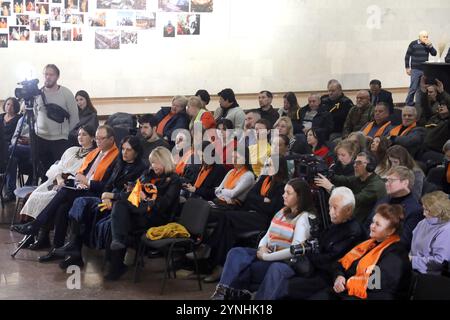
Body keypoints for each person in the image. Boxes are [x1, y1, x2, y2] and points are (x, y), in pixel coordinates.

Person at [12, 125, 119, 261]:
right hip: (83, 188)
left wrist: (87, 182)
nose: (98, 141)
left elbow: (108, 186)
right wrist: (78, 182)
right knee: (62, 207)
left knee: (63, 192)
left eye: (101, 139)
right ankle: (56, 249)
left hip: (97, 194)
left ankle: (35, 225)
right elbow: (82, 172)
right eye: (97, 138)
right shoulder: (96, 152)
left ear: (111, 139)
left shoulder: (116, 158)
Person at [210, 178, 315, 300]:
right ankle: (222, 293)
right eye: (284, 192)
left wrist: (266, 257)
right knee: (236, 252)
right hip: (268, 251)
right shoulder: (282, 211)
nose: (283, 195)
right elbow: (267, 235)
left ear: (299, 197)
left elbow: (294, 251)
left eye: (288, 193)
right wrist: (261, 247)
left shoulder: (304, 218)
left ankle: (240, 295)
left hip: (285, 261)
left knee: (249, 269)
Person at [53, 135, 146, 269]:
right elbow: (108, 184)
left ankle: (107, 262)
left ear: (136, 152)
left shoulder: (141, 168)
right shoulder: (120, 162)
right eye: (123, 149)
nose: (124, 153)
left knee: (82, 205)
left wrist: (111, 196)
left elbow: (133, 195)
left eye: (129, 150)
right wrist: (105, 196)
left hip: (123, 205)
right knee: (80, 202)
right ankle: (74, 249)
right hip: (106, 199)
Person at [202, 156, 288, 283]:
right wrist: (263, 200)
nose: (267, 168)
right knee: (228, 228)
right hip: (253, 213)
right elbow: (250, 197)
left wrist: (259, 201)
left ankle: (209, 251)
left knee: (227, 217)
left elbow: (272, 208)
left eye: (270, 165)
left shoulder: (283, 185)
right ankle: (219, 264)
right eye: (267, 165)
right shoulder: (264, 179)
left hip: (265, 220)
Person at [106, 146, 181, 280]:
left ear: (165, 161)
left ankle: (116, 265)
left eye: (157, 162)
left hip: (158, 217)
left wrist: (146, 198)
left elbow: (164, 205)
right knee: (119, 212)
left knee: (119, 218)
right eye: (152, 162)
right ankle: (117, 257)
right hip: (140, 212)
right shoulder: (148, 174)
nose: (154, 166)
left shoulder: (174, 179)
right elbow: (132, 193)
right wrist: (132, 192)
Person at [17, 126, 96, 249]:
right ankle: (30, 236)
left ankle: (43, 236)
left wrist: (64, 180)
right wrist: (58, 177)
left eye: (84, 134)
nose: (80, 137)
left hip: (69, 185)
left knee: (46, 199)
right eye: (79, 134)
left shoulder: (93, 155)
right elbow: (57, 166)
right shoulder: (71, 150)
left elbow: (82, 175)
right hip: (55, 180)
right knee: (32, 195)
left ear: (92, 137)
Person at [280, 187, 365, 300]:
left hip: (329, 276)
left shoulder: (352, 232)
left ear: (348, 210)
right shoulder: (337, 223)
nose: (331, 212)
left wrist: (310, 253)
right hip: (317, 267)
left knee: (287, 286)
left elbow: (330, 260)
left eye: (335, 208)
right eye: (330, 207)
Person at [313, 204, 412, 300]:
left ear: (390, 231)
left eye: (378, 225)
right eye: (373, 222)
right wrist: (339, 276)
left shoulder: (396, 255)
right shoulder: (368, 244)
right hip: (346, 291)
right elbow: (340, 264)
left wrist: (347, 284)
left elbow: (376, 287)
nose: (372, 226)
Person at [34, 64, 79, 179]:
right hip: (40, 138)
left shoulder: (66, 93)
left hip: (59, 140)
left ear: (57, 76)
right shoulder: (37, 94)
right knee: (43, 171)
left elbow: (74, 117)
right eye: (46, 74)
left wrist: (66, 133)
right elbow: (34, 114)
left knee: (58, 171)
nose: (48, 77)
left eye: (51, 74)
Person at [315, 152, 386, 224]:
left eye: (359, 163)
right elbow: (344, 180)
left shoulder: (377, 185)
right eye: (355, 163)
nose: (355, 165)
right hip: (354, 218)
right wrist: (328, 174)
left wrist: (331, 188)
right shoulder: (360, 178)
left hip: (362, 224)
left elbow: (353, 201)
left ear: (370, 166)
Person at [364, 166, 424, 251]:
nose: (386, 183)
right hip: (368, 245)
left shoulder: (415, 210)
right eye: (386, 180)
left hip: (388, 252)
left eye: (391, 180)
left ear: (405, 183)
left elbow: (404, 241)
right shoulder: (383, 199)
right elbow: (368, 223)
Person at [411, 191, 450, 275]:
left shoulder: (446, 229)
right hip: (412, 267)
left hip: (428, 275)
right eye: (424, 208)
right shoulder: (423, 222)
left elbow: (439, 261)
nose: (424, 213)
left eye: (428, 210)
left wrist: (411, 260)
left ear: (439, 211)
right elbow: (413, 248)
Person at [404, 31, 437, 106]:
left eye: (427, 36)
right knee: (413, 87)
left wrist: (430, 46)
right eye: (424, 37)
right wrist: (407, 68)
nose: (426, 38)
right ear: (419, 37)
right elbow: (407, 56)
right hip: (415, 69)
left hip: (425, 69)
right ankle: (408, 103)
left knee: (421, 88)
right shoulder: (413, 44)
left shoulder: (428, 45)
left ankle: (419, 104)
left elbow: (434, 54)